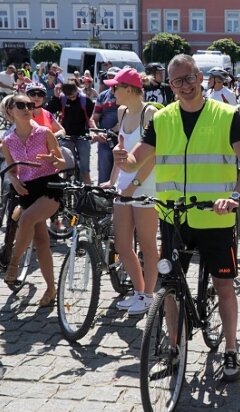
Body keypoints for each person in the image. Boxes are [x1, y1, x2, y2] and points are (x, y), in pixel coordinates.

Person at [113, 53, 240, 382]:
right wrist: (123, 160)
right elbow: (138, 160)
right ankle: (174, 350)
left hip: (215, 217)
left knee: (223, 285)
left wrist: (236, 195)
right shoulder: (162, 119)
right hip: (173, 216)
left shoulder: (225, 114)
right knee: (169, 286)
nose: (185, 85)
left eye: (190, 77)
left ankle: (231, 349)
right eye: (177, 80)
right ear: (170, 84)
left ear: (200, 77)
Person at [101, 68, 160, 315]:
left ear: (129, 89)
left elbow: (155, 156)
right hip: (123, 186)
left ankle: (149, 296)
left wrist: (132, 186)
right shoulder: (122, 111)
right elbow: (121, 150)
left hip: (145, 186)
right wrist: (111, 180)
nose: (111, 91)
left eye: (115, 87)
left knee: (147, 245)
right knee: (123, 243)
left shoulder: (151, 113)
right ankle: (139, 291)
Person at [0, 94, 66, 306]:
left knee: (26, 219)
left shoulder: (45, 132)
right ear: (10, 111)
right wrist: (14, 180)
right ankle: (51, 288)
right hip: (27, 191)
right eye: (21, 105)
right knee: (41, 243)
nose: (28, 108)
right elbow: (11, 169)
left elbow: (62, 163)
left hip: (49, 187)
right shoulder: (8, 141)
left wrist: (54, 159)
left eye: (30, 105)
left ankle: (13, 265)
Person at [46, 80, 96, 184]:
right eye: (68, 96)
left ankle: (87, 192)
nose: (71, 98)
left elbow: (94, 117)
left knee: (84, 170)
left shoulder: (85, 100)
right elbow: (49, 111)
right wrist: (55, 97)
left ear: (77, 90)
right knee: (67, 168)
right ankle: (67, 187)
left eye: (72, 95)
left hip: (82, 136)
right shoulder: (63, 99)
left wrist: (95, 132)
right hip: (66, 136)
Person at [92, 67, 121, 184]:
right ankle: (102, 200)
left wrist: (115, 129)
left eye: (113, 76)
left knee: (120, 173)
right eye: (108, 76)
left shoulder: (124, 94)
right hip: (105, 140)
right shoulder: (102, 96)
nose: (110, 78)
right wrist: (98, 133)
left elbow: (128, 115)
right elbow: (94, 118)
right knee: (104, 173)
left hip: (121, 138)